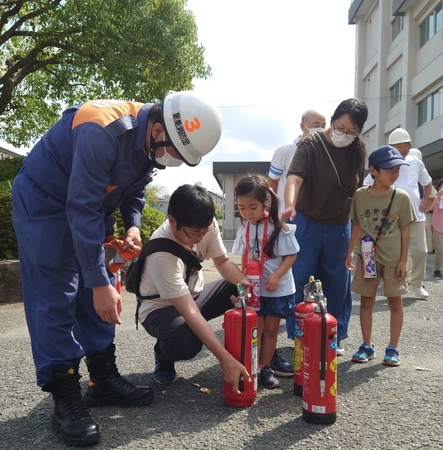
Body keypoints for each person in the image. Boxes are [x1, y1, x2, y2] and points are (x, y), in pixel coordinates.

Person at [11, 91, 223, 446]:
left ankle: (102, 378)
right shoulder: (101, 129)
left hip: (93, 209)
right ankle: (64, 394)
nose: (171, 160)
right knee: (57, 294)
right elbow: (81, 210)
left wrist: (134, 226)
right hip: (45, 204)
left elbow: (134, 191)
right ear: (157, 131)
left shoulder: (148, 142)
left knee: (104, 282)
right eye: (174, 152)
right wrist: (97, 285)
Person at [138, 184, 252, 389]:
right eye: (194, 233)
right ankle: (163, 354)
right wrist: (224, 359)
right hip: (161, 309)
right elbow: (189, 311)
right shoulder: (160, 253)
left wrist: (246, 286)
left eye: (205, 231)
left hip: (194, 297)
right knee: (186, 343)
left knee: (242, 287)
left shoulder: (205, 224)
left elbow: (223, 262)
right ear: (172, 221)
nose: (200, 237)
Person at [281, 98, 368, 356]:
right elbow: (294, 177)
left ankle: (335, 334)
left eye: (352, 131)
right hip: (306, 220)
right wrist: (289, 205)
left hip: (339, 225)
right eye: (341, 127)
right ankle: (300, 333)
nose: (345, 135)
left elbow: (357, 191)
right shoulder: (311, 143)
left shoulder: (357, 150)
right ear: (332, 120)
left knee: (337, 281)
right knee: (299, 278)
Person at [346, 145, 416, 366]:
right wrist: (348, 252)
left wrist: (404, 260)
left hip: (393, 258)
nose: (394, 173)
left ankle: (393, 348)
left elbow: (406, 229)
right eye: (389, 169)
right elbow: (356, 224)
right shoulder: (360, 195)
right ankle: (367, 345)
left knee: (395, 301)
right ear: (373, 170)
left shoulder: (401, 197)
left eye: (397, 169)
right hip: (367, 256)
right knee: (366, 302)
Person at [231, 175, 299, 388]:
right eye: (242, 208)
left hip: (276, 289)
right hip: (255, 289)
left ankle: (265, 367)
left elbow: (292, 255)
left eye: (252, 207)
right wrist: (241, 282)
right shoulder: (245, 228)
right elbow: (243, 257)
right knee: (256, 330)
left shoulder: (278, 226)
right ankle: (252, 367)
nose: (247, 213)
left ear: (266, 202)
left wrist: (277, 275)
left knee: (270, 330)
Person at [364, 128, 433, 299]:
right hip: (390, 218)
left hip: (415, 215)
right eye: (398, 146)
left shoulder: (416, 162)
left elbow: (427, 182)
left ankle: (417, 284)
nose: (403, 149)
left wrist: (425, 199)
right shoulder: (382, 164)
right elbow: (366, 187)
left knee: (420, 251)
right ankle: (400, 285)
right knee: (395, 253)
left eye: (406, 145)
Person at [268, 110, 327, 212]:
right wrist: (273, 211)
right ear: (303, 126)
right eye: (316, 125)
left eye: (323, 126)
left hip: (313, 214)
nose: (320, 130)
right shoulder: (285, 150)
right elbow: (272, 182)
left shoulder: (324, 151)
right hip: (287, 213)